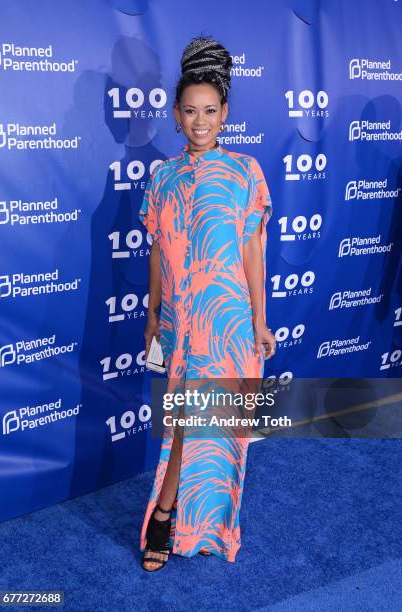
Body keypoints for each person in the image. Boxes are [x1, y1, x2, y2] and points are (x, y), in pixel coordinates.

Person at [139, 35, 275, 572]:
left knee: (215, 429)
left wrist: (261, 323)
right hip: (180, 323)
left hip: (230, 324)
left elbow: (252, 253)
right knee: (182, 425)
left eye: (210, 111)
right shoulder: (162, 177)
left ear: (225, 114)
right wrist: (152, 314)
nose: (201, 121)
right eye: (190, 111)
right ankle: (167, 513)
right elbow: (155, 251)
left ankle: (191, 524)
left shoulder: (245, 173)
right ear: (176, 115)